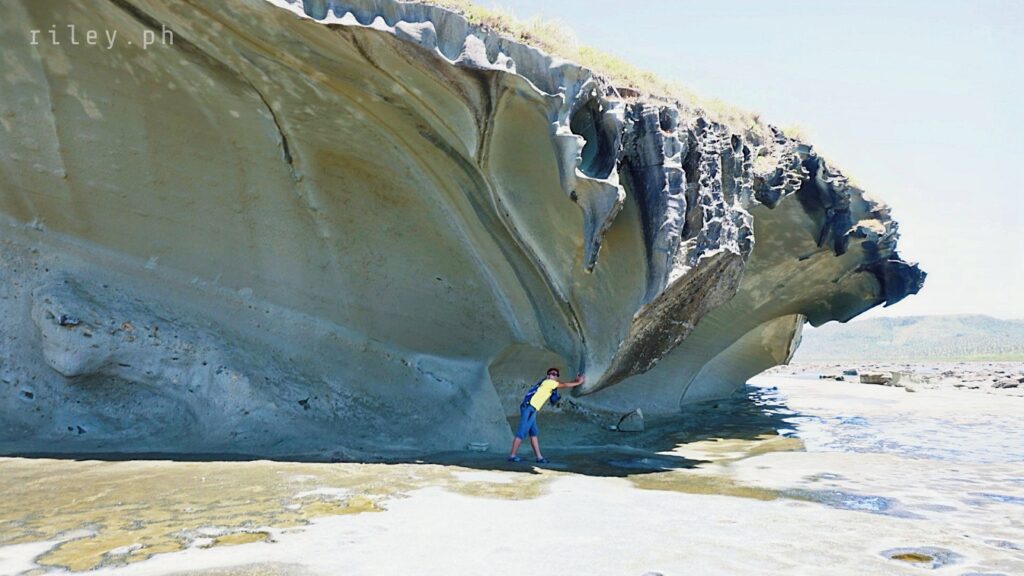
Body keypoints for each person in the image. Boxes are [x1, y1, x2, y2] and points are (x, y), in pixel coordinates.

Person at [507, 367, 585, 463]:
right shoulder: (548, 382)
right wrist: (578, 382)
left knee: (534, 433)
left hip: (532, 409)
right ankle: (512, 455)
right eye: (552, 373)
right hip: (529, 408)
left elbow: (561, 385)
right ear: (548, 375)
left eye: (556, 374)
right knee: (522, 432)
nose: (554, 375)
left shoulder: (550, 385)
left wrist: (575, 380)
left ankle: (539, 457)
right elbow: (564, 384)